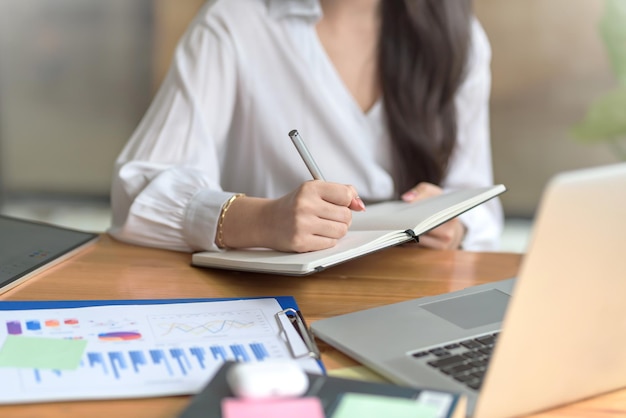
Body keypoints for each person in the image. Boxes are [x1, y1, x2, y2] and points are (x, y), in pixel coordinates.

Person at [109, 0, 503, 254]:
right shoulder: (235, 23)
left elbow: (478, 201)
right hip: (271, 304)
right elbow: (138, 192)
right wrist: (262, 220)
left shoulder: (458, 38)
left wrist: (456, 224)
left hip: (408, 298)